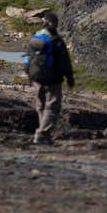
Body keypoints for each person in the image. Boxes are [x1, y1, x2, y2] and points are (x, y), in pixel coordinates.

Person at [25, 12, 75, 145]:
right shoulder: (56, 41)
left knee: (40, 105)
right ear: (55, 24)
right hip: (52, 78)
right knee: (52, 106)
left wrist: (29, 74)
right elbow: (65, 62)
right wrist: (69, 77)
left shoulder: (35, 37)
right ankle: (42, 134)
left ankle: (43, 133)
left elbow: (28, 58)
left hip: (36, 77)